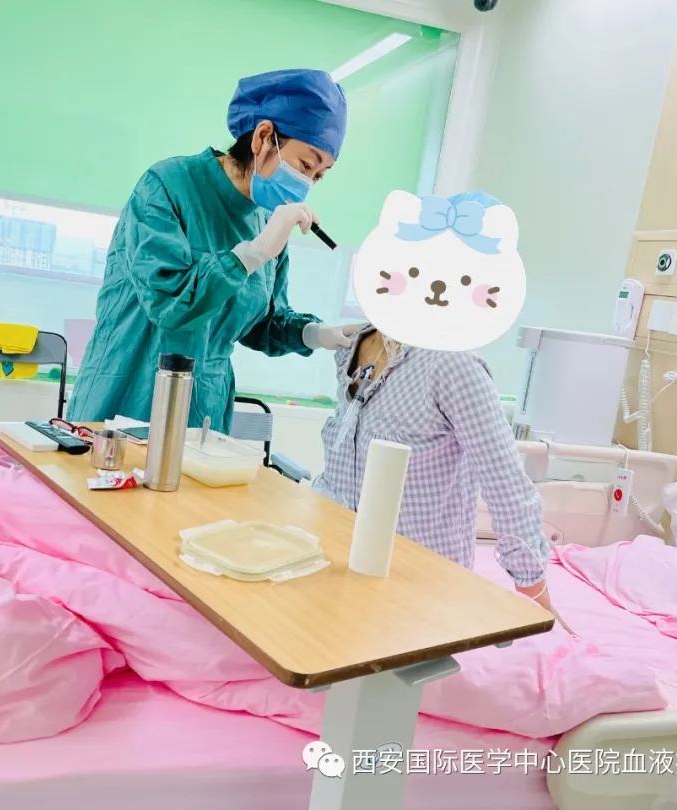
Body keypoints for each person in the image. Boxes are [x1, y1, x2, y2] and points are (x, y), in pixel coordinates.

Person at [68, 69, 360, 433]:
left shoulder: (268, 223)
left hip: (202, 415)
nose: (306, 185)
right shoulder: (167, 186)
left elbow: (261, 324)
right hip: (126, 397)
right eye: (305, 165)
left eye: (319, 176)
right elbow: (170, 304)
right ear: (263, 137)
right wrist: (252, 253)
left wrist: (317, 334)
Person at [312, 325, 572, 627]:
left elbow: (506, 484)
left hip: (419, 590)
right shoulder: (353, 345)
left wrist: (535, 595)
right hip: (341, 570)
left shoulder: (451, 364)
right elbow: (343, 470)